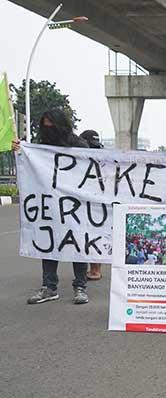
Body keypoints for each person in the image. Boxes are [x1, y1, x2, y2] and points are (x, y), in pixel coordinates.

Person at [12, 109, 90, 305]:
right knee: (49, 242)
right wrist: (20, 150)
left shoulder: (79, 145)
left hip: (75, 205)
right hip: (50, 205)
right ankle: (49, 287)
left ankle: (80, 287)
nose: (48, 131)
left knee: (78, 244)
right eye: (44, 126)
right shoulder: (41, 147)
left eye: (51, 126)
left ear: (60, 125)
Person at [79, 130, 105, 280]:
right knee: (94, 235)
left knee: (91, 235)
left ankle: (95, 269)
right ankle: (94, 269)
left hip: (93, 202)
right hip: (94, 201)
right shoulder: (104, 157)